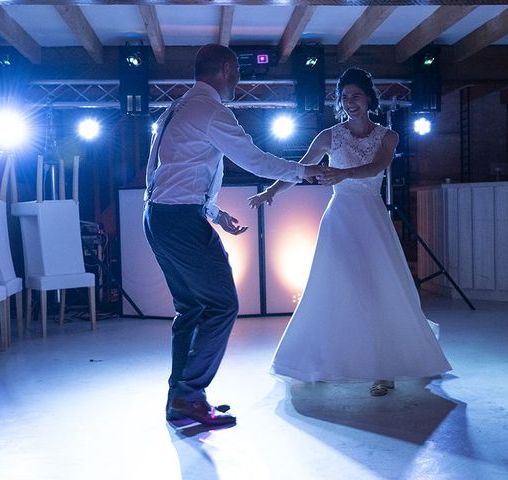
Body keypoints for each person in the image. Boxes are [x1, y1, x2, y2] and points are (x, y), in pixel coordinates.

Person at [143, 44, 328, 426]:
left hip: (159, 216)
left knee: (192, 309)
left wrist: (211, 211)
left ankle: (181, 398)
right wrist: (304, 171)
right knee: (222, 305)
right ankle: (189, 396)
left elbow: (161, 172)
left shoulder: (174, 108)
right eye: (238, 71)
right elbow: (254, 159)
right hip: (179, 220)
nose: (240, 79)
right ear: (226, 68)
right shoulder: (211, 110)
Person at [248, 67, 451, 396]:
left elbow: (377, 166)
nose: (350, 102)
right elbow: (302, 167)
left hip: (371, 219)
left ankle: (383, 369)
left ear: (369, 98)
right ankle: (325, 361)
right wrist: (271, 191)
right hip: (339, 219)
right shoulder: (329, 136)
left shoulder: (388, 136)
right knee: (334, 287)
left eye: (356, 96)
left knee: (377, 289)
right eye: (344, 97)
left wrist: (344, 174)